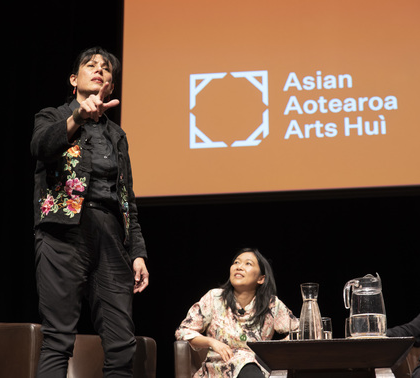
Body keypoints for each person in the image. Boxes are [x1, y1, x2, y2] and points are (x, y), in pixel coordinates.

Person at [30, 46, 149, 378]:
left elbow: (127, 198)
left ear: (110, 86)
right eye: (91, 65)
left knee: (122, 343)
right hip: (63, 232)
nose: (100, 70)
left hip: (110, 235)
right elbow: (41, 147)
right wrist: (78, 116)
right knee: (58, 339)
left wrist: (137, 252)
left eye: (106, 69)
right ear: (74, 79)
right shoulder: (52, 116)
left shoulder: (116, 135)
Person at [175, 248, 298, 378]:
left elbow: (299, 332)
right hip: (219, 368)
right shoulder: (214, 298)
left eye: (248, 264)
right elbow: (183, 331)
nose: (239, 267)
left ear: (261, 279)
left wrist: (274, 352)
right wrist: (212, 342)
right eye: (236, 262)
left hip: (257, 367)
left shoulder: (272, 304)